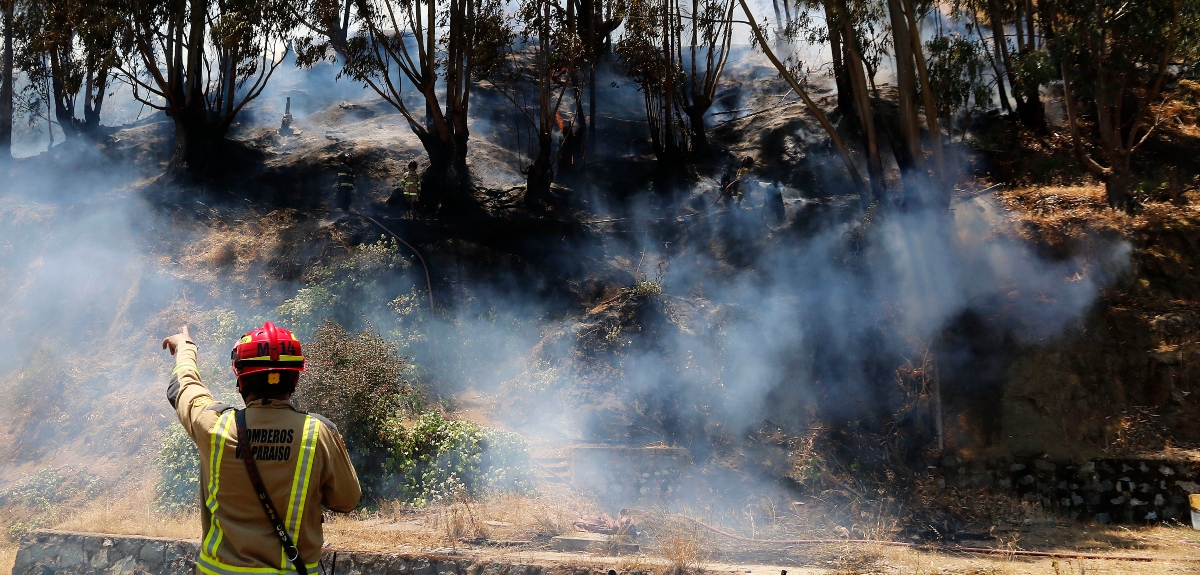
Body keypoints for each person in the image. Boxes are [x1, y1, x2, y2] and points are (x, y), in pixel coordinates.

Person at [162, 322, 360, 575]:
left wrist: (185, 347)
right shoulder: (319, 432)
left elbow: (183, 387)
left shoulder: (214, 425)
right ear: (296, 378)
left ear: (240, 379)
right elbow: (346, 501)